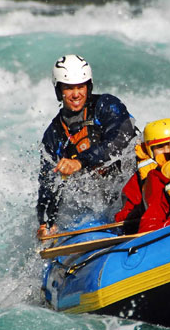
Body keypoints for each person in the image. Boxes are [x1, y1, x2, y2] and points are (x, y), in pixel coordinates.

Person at [37, 54, 137, 240]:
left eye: (80, 87)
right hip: (97, 202)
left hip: (130, 186)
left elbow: (120, 139)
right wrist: (46, 222)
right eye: (69, 88)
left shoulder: (107, 106)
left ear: (88, 87)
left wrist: (81, 162)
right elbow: (47, 184)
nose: (76, 94)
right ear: (59, 91)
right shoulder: (53, 136)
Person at [113, 118, 170, 225]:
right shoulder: (140, 178)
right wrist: (138, 212)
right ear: (150, 151)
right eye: (160, 147)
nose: (166, 151)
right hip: (155, 223)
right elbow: (125, 212)